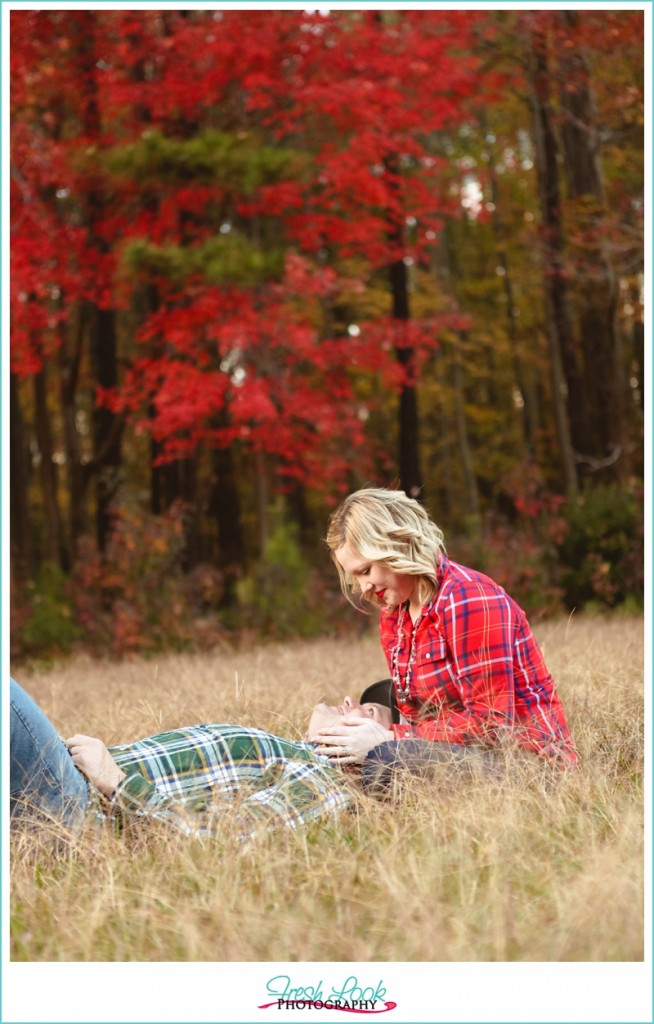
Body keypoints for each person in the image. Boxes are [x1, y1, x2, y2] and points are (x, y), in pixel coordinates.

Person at [319, 487, 578, 776]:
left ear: (397, 546)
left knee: (386, 760)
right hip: (455, 752)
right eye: (355, 576)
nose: (364, 587)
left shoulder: (467, 598)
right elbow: (416, 716)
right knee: (368, 708)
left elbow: (492, 724)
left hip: (522, 761)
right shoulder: (394, 615)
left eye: (366, 571)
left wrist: (391, 739)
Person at [9, 678, 399, 843]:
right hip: (64, 776)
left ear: (377, 743)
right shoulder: (294, 752)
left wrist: (116, 781)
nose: (349, 701)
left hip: (79, 809)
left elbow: (229, 839)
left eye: (368, 710)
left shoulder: (323, 784)